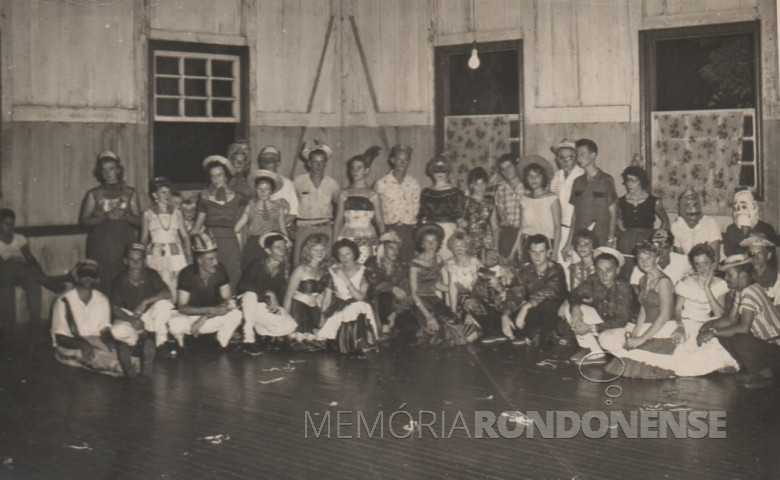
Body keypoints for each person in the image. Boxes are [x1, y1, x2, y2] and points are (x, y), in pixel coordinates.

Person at [600, 241, 681, 379]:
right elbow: (644, 308)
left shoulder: (664, 282)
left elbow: (665, 315)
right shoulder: (643, 279)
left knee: (636, 362)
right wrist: (635, 333)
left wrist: (642, 338)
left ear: (657, 259)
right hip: (648, 326)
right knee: (626, 355)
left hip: (663, 328)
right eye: (640, 259)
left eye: (648, 258)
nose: (644, 262)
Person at [698, 255, 780, 389]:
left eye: (729, 274)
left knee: (740, 339)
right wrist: (709, 325)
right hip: (766, 346)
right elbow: (731, 319)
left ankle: (765, 376)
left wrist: (713, 332)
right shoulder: (741, 291)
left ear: (742, 275)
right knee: (724, 336)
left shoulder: (750, 292)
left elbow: (744, 328)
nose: (726, 278)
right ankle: (751, 369)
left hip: (775, 347)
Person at [404, 224, 481, 346]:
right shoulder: (415, 264)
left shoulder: (439, 259)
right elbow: (414, 293)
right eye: (427, 241)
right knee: (435, 329)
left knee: (453, 322)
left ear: (438, 243)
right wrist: (428, 316)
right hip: (418, 302)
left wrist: (459, 289)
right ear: (422, 244)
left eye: (433, 241)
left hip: (433, 299)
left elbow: (437, 284)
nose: (430, 244)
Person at [672, 243, 739, 376]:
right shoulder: (686, 282)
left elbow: (720, 313)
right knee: (685, 352)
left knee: (714, 348)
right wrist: (680, 326)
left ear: (713, 263)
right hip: (687, 321)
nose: (702, 268)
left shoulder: (720, 284)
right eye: (698, 264)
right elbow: (677, 309)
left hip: (707, 322)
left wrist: (707, 288)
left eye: (705, 263)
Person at [79, 151, 141, 293]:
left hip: (123, 241)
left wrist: (124, 216)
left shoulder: (130, 192)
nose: (108, 173)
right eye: (104, 169)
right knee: (102, 280)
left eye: (111, 168)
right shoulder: (93, 193)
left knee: (124, 278)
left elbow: (138, 220)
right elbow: (84, 221)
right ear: (99, 172)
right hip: (101, 243)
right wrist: (105, 217)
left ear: (118, 170)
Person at [168, 232, 243, 349]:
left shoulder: (220, 269)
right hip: (192, 318)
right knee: (174, 323)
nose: (215, 262)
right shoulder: (186, 273)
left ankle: (221, 343)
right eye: (210, 259)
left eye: (216, 257)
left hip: (211, 317)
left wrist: (205, 316)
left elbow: (227, 299)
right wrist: (208, 310)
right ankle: (181, 343)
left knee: (236, 314)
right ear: (199, 260)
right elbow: (182, 307)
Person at [109, 244, 175, 377]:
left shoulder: (151, 274)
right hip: (130, 317)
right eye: (132, 260)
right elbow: (115, 309)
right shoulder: (119, 281)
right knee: (116, 331)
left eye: (139, 260)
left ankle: (154, 341)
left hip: (147, 316)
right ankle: (139, 343)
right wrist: (131, 320)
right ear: (125, 261)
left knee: (164, 305)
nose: (135, 264)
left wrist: (145, 302)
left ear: (144, 261)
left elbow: (167, 293)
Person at [50, 260, 123, 376]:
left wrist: (110, 342)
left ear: (97, 280)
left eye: (92, 274)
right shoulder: (63, 301)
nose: (88, 278)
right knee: (91, 354)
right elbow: (60, 338)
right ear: (77, 277)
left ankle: (126, 365)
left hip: (94, 339)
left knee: (116, 352)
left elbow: (104, 330)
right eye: (84, 274)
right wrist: (82, 345)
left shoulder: (102, 300)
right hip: (69, 344)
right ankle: (116, 367)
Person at [563, 247, 635, 365]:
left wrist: (590, 328)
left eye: (609, 270)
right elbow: (576, 293)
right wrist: (576, 308)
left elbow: (621, 321)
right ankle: (595, 351)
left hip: (626, 327)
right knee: (569, 309)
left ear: (617, 270)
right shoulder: (595, 279)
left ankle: (617, 350)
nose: (604, 275)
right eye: (600, 270)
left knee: (606, 340)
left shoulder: (623, 287)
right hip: (605, 321)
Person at [0, 208, 66, 328]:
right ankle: (47, 282)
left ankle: (35, 325)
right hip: (4, 274)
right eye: (6, 223)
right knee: (11, 264)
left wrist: (39, 271)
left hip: (23, 273)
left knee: (34, 286)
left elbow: (30, 258)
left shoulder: (19, 238)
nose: (10, 227)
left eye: (12, 223)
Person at [191, 155, 248, 292]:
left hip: (231, 243)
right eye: (213, 176)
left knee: (232, 275)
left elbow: (249, 214)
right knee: (212, 275)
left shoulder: (240, 197)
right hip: (211, 243)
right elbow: (196, 227)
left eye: (219, 175)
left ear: (226, 175)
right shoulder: (204, 197)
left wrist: (238, 228)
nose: (216, 179)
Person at [238, 233, 298, 355]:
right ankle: (248, 339)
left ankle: (262, 333)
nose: (283, 251)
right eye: (278, 247)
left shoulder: (283, 269)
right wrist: (268, 292)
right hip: (246, 304)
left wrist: (277, 307)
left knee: (290, 324)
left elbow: (282, 293)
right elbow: (242, 286)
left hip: (263, 307)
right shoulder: (257, 265)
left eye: (284, 247)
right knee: (251, 295)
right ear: (268, 251)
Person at [562, 139, 618, 261]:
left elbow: (613, 213)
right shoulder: (577, 182)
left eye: (583, 154)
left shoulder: (606, 180)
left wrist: (610, 238)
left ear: (593, 155)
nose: (579, 158)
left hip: (599, 239)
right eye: (577, 155)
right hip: (579, 241)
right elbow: (574, 215)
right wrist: (568, 243)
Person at [316, 238, 379, 342]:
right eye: (341, 255)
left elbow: (360, 297)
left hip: (359, 308)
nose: (344, 258)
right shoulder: (333, 271)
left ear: (354, 254)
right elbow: (327, 299)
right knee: (324, 336)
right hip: (339, 306)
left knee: (358, 306)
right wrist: (321, 322)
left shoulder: (363, 271)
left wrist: (344, 278)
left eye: (347, 254)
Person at [512, 235, 567, 349]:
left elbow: (549, 291)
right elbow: (516, 292)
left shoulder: (556, 269)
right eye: (533, 252)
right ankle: (528, 334)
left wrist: (525, 308)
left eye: (541, 251)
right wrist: (505, 314)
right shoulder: (524, 271)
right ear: (529, 253)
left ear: (548, 252)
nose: (537, 256)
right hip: (533, 311)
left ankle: (542, 337)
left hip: (554, 313)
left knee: (547, 304)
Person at [140, 177, 192, 299]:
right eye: (163, 192)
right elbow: (143, 239)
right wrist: (142, 258)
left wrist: (189, 256)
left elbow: (185, 236)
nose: (167, 195)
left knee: (177, 283)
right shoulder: (148, 214)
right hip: (156, 253)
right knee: (159, 282)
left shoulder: (177, 213)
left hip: (175, 252)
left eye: (168, 192)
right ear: (154, 195)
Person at [293, 141, 340, 266]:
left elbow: (339, 207)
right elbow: (292, 206)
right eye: (315, 162)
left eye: (321, 162)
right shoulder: (298, 182)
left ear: (326, 163)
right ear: (308, 163)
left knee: (325, 263)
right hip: (304, 229)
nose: (318, 165)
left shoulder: (332, 184)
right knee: (300, 263)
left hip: (325, 228)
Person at [335, 147, 385, 264]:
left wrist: (384, 243)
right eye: (352, 168)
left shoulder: (373, 194)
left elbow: (380, 222)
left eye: (359, 168)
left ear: (367, 171)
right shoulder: (344, 193)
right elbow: (338, 222)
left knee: (366, 264)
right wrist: (334, 243)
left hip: (366, 236)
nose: (355, 171)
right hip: (347, 234)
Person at [374, 144, 421, 263]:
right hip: (389, 229)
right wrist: (383, 232)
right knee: (389, 264)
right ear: (392, 160)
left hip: (408, 231)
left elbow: (416, 209)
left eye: (405, 160)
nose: (402, 163)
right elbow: (375, 211)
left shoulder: (413, 183)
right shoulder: (381, 183)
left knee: (408, 264)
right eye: (399, 159)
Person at [234, 169, 289, 269]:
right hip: (254, 245)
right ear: (255, 189)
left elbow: (282, 227)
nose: (263, 192)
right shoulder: (251, 206)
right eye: (260, 188)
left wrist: (286, 241)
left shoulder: (278, 207)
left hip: (272, 243)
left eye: (267, 189)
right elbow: (238, 226)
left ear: (272, 190)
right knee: (254, 270)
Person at [616, 166, 669, 265]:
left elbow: (665, 221)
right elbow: (618, 219)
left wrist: (658, 237)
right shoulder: (621, 201)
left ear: (641, 182)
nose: (630, 184)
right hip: (627, 240)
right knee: (627, 265)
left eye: (634, 181)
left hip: (647, 238)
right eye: (627, 180)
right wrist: (624, 233)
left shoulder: (653, 201)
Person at [418, 156, 466, 261]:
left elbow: (460, 217)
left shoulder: (455, 192)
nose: (439, 173)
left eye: (443, 170)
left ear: (447, 171)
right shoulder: (426, 192)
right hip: (431, 231)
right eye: (436, 170)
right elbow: (422, 215)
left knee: (449, 261)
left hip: (449, 230)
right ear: (431, 171)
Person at [364, 230, 411, 337]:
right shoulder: (372, 263)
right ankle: (384, 326)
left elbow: (407, 291)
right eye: (391, 247)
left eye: (397, 248)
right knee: (385, 296)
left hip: (396, 307)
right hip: (375, 303)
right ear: (383, 248)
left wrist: (395, 313)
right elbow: (371, 288)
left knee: (410, 328)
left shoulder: (402, 266)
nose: (395, 251)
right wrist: (392, 288)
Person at [285, 233, 330, 336]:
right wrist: (286, 320)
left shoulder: (324, 270)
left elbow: (323, 297)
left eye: (322, 249)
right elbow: (288, 296)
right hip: (298, 310)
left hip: (314, 312)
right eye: (316, 250)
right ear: (308, 251)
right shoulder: (300, 269)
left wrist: (322, 320)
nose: (320, 253)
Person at [518, 160, 561, 260]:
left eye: (537, 175)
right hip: (526, 245)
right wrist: (513, 252)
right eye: (530, 176)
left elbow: (557, 228)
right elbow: (521, 228)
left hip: (545, 245)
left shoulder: (552, 198)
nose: (534, 179)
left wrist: (554, 253)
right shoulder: (524, 199)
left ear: (543, 177)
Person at [549, 138, 584, 261]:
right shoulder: (557, 176)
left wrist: (569, 241)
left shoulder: (581, 175)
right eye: (561, 158)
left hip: (575, 230)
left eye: (569, 157)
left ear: (576, 158)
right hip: (558, 228)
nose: (565, 161)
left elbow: (578, 210)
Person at [257, 145, 300, 234]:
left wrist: (276, 228)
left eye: (272, 161)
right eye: (265, 161)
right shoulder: (254, 183)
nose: (268, 164)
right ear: (261, 163)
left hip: (281, 230)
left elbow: (293, 213)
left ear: (278, 163)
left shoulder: (287, 183)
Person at [670, 188, 721, 260]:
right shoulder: (675, 227)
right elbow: (680, 259)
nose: (693, 210)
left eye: (695, 205)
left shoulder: (711, 223)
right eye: (688, 206)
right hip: (688, 268)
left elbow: (715, 258)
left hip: (709, 267)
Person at [723, 190, 776, 257]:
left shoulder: (766, 229)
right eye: (736, 208)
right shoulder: (731, 230)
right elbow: (729, 254)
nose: (739, 211)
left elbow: (770, 258)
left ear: (753, 207)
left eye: (744, 207)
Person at [459, 167, 498, 256]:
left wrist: (495, 244)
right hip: (468, 243)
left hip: (486, 243)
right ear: (471, 185)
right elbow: (459, 223)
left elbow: (495, 227)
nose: (480, 187)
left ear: (486, 184)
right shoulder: (465, 201)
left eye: (482, 183)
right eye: (476, 184)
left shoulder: (490, 202)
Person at [493, 153, 525, 259]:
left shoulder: (527, 187)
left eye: (509, 167)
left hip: (525, 232)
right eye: (503, 169)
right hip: (507, 233)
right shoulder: (501, 190)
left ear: (516, 166)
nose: (507, 171)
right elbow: (501, 215)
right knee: (506, 265)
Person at [444, 233, 481, 314]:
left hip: (477, 301)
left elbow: (479, 289)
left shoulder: (475, 263)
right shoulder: (450, 263)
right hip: (459, 302)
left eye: (462, 246)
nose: (459, 249)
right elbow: (452, 289)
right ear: (451, 248)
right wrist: (453, 311)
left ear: (467, 247)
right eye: (455, 246)